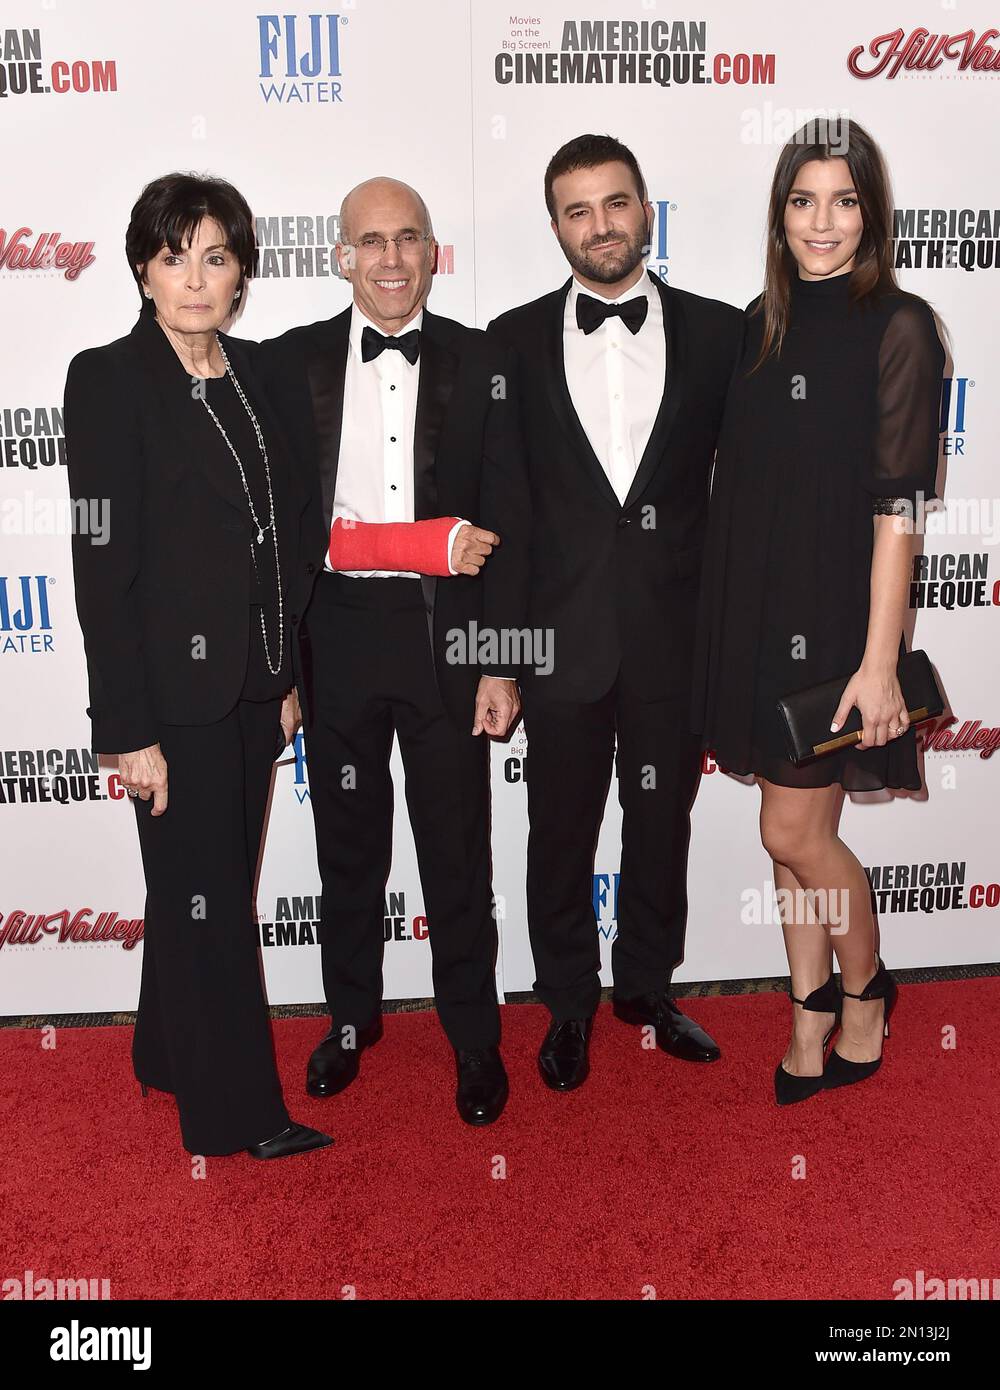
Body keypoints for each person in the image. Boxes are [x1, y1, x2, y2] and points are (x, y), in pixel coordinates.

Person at [64, 172, 332, 1159]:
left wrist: (289, 671)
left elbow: (290, 536)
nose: (193, 277)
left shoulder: (262, 377)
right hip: (170, 703)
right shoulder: (108, 380)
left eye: (214, 256)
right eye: (174, 255)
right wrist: (126, 729)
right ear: (142, 267)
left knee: (202, 885)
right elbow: (103, 568)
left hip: (256, 687)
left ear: (240, 274)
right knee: (210, 898)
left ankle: (163, 1052)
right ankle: (234, 1117)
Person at [254, 177, 528, 1126]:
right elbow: (278, 530)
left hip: (449, 642)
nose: (391, 259)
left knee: (458, 855)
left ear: (432, 250)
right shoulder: (289, 365)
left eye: (408, 238)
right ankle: (347, 1021)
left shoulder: (483, 361)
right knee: (347, 852)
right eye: (371, 241)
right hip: (335, 643)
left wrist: (500, 659)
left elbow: (512, 519)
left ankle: (475, 1039)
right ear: (341, 255)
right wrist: (282, 669)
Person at [691, 120, 946, 1104]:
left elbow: (900, 509)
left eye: (843, 201)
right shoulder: (762, 321)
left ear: (871, 213)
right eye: (803, 200)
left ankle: (867, 992)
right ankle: (808, 1013)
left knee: (796, 835)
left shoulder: (901, 327)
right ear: (779, 212)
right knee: (782, 827)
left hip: (838, 624)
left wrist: (880, 661)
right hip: (757, 613)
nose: (822, 222)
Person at [487, 134, 742, 1091]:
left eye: (616, 203)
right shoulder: (507, 342)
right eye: (578, 210)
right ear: (555, 226)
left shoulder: (721, 335)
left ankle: (644, 987)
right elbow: (501, 516)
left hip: (674, 641)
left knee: (659, 823)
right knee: (558, 833)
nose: (601, 226)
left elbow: (754, 493)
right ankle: (567, 1003)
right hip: (556, 647)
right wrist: (502, 660)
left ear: (646, 208)